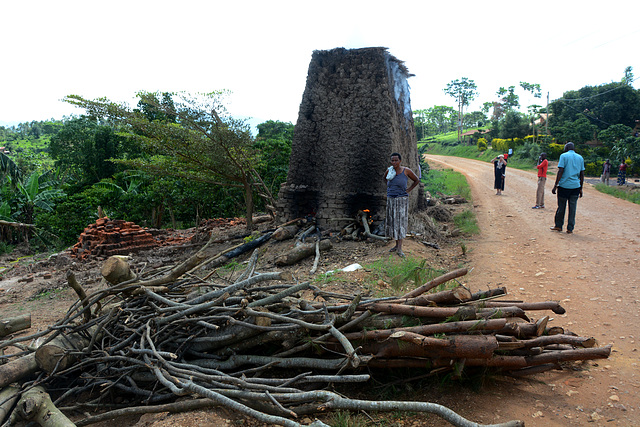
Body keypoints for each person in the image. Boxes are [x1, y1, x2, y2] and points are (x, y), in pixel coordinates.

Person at [384, 152, 419, 257]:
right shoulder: (389, 171)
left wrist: (408, 190)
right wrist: (390, 189)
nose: (394, 162)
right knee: (394, 222)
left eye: (396, 160)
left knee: (400, 223)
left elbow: (416, 180)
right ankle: (395, 245)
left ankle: (400, 248)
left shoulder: (406, 171)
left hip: (401, 200)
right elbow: (384, 179)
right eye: (392, 160)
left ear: (400, 161)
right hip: (391, 199)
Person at [550, 142, 585, 234]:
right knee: (572, 208)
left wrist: (555, 185)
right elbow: (582, 174)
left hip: (564, 186)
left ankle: (558, 225)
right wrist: (581, 188)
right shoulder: (580, 157)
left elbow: (560, 171)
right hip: (575, 187)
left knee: (561, 207)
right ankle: (570, 228)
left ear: (567, 148)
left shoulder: (563, 156)